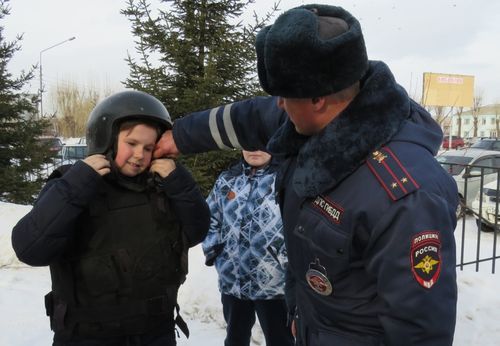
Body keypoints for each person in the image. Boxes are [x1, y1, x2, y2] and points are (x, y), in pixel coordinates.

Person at [153, 4, 459, 346]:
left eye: (284, 96)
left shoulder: (406, 196)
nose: (278, 105)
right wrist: (177, 137)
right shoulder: (317, 114)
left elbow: (420, 332)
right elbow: (247, 117)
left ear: (317, 98)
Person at [11, 90, 210, 345]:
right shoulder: (72, 184)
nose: (140, 154)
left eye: (149, 147)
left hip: (155, 332)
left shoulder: (162, 185)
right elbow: (30, 249)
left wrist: (180, 184)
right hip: (88, 336)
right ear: (106, 138)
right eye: (132, 143)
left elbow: (197, 231)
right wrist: (76, 186)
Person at [202, 150, 294, 346]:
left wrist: (286, 258)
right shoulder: (227, 179)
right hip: (232, 279)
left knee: (281, 339)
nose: (255, 149)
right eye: (249, 143)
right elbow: (209, 217)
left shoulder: (285, 179)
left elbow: (300, 223)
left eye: (261, 143)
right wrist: (215, 251)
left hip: (273, 282)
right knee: (235, 337)